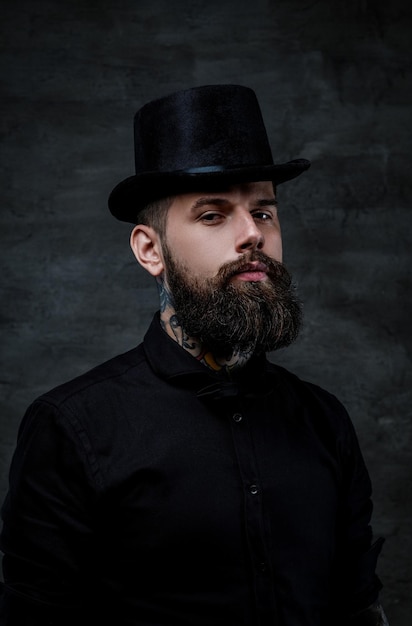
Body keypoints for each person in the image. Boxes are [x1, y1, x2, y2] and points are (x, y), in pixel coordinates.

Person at [0, 84, 389, 625]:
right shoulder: (71, 429)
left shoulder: (325, 422)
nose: (252, 234)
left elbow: (359, 609)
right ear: (150, 250)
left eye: (265, 212)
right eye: (213, 215)